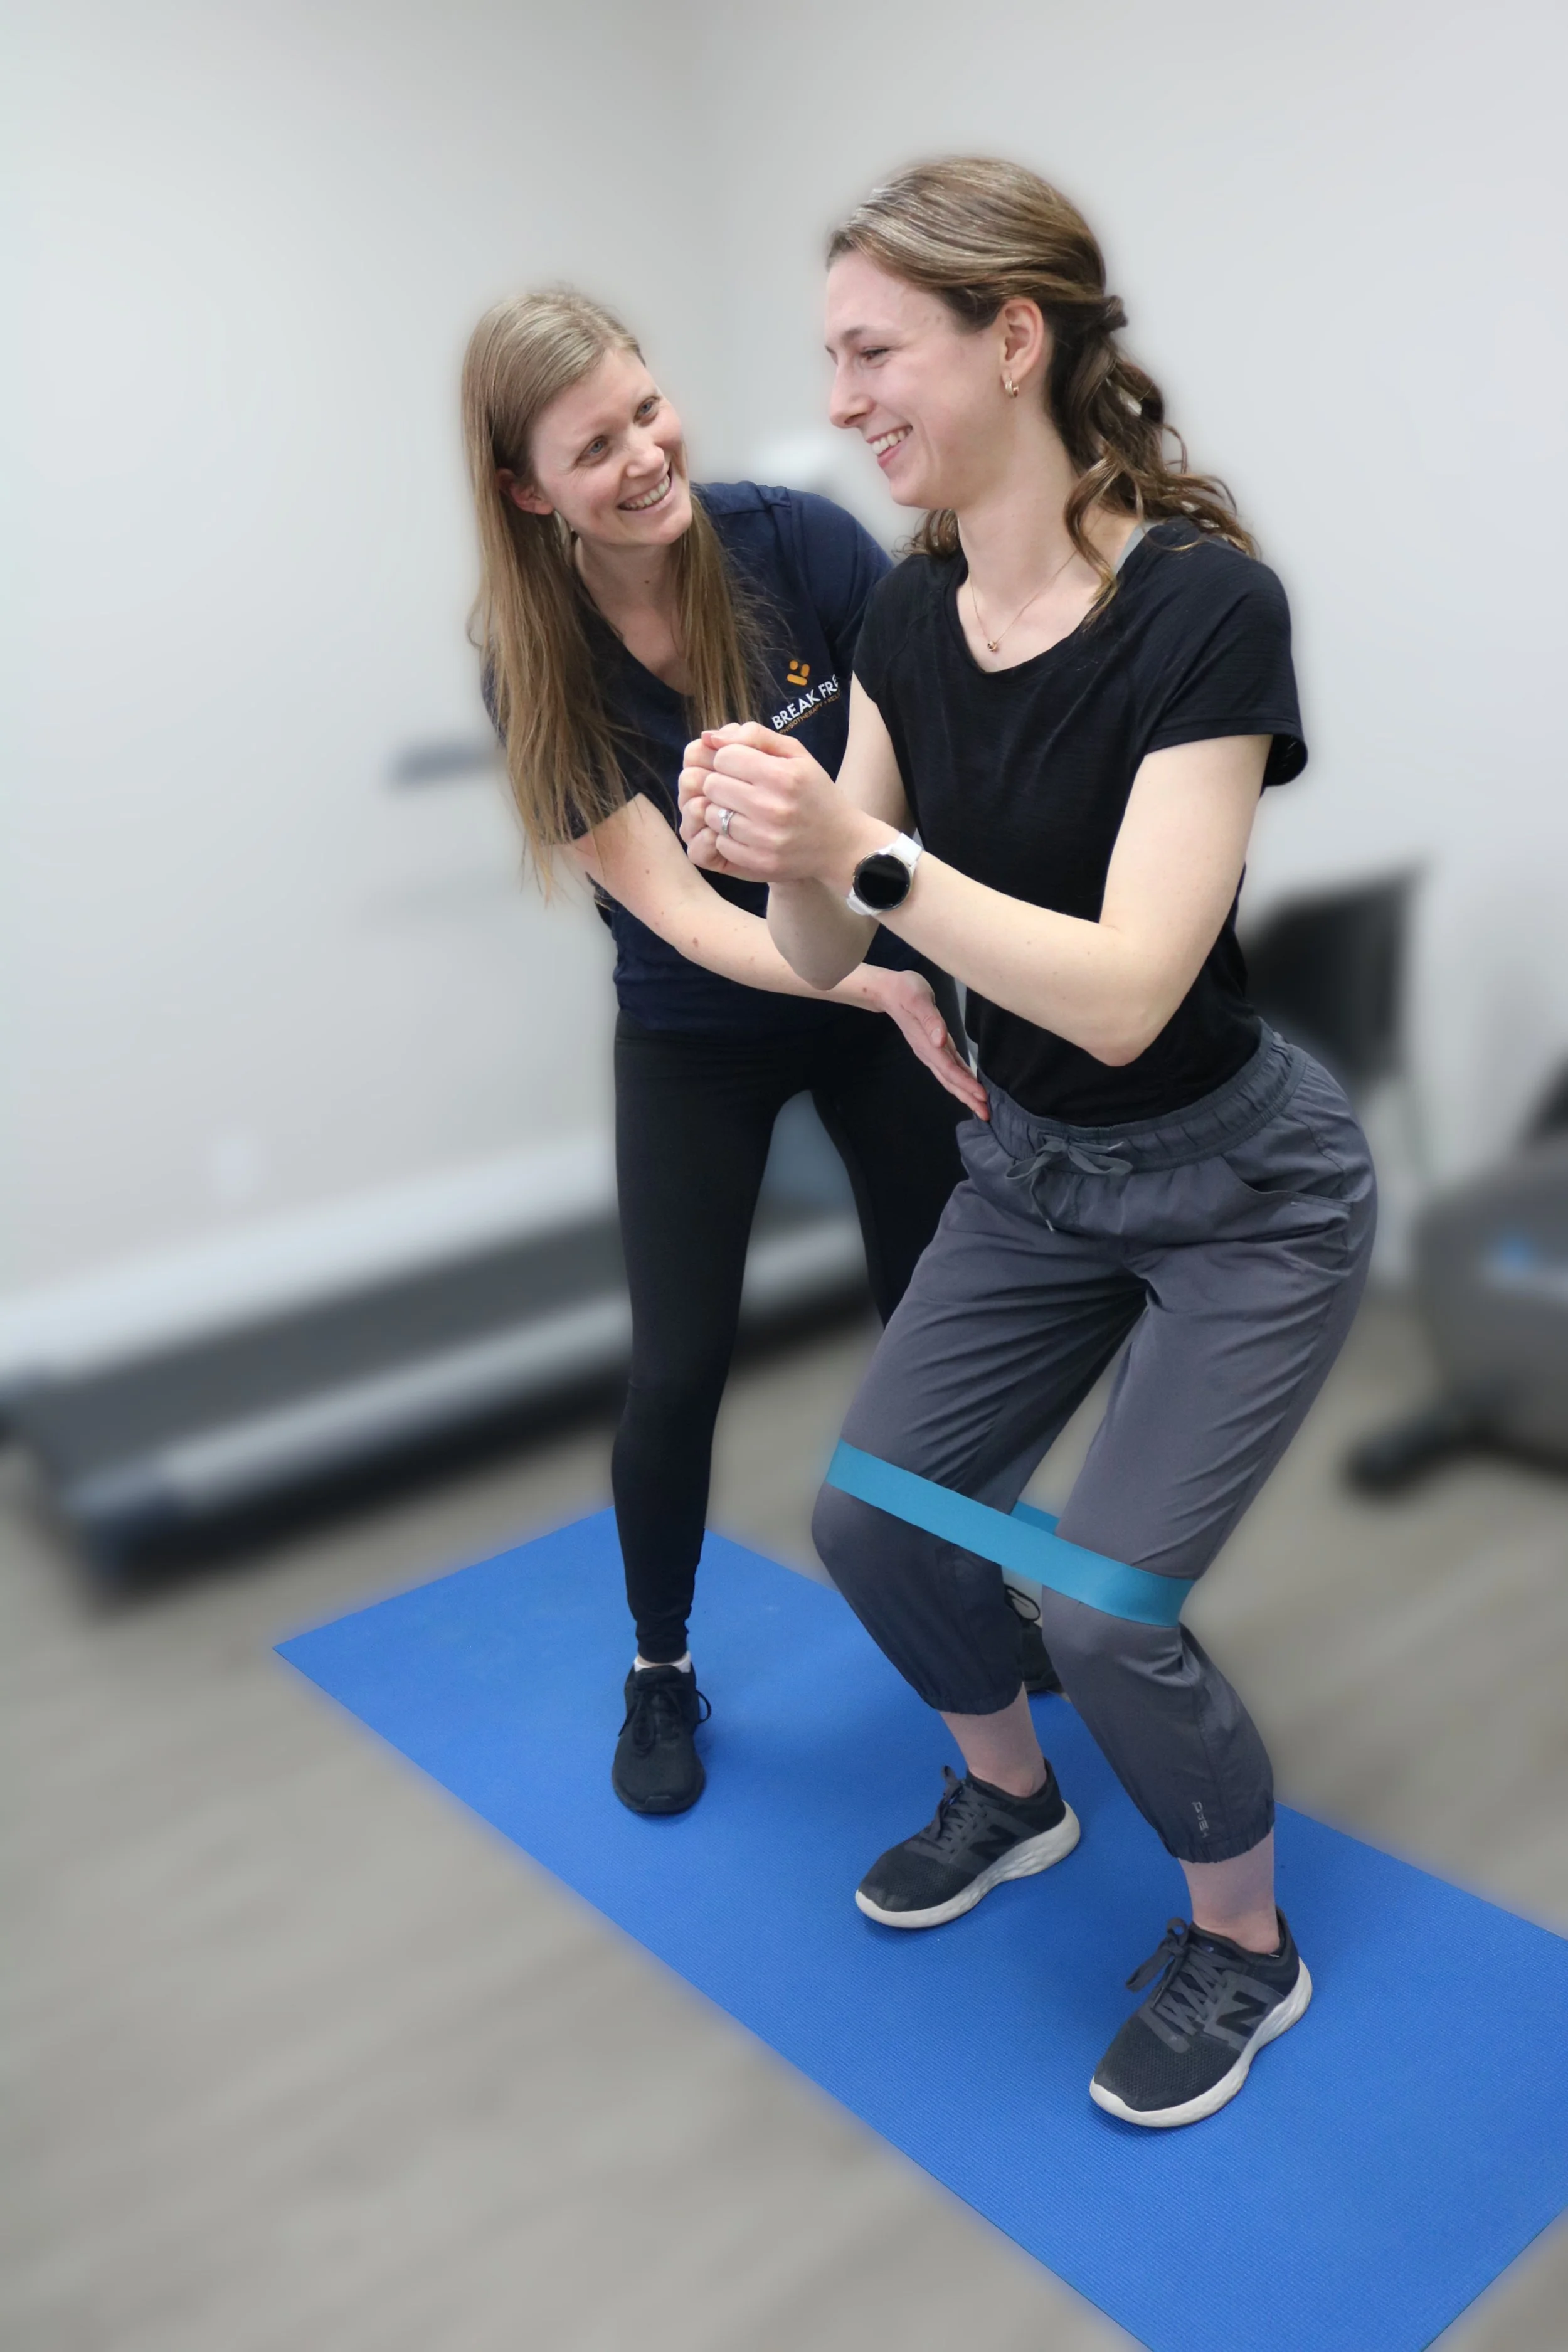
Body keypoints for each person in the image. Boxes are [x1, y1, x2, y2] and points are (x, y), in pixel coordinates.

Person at [679, 159, 1375, 2128]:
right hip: (1040, 1168)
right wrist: (786, 832)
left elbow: (1132, 988)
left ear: (1012, 339)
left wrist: (863, 851)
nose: (844, 401)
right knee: (873, 1522)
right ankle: (1011, 1793)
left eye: (872, 351)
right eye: (831, 360)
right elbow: (825, 935)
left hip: (1244, 1185)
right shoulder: (911, 605)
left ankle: (1242, 1939)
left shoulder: (1204, 613)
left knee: (1099, 1598)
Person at [461, 287, 1016, 1821]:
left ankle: (971, 1587)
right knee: (678, 1363)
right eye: (594, 446)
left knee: (936, 1319)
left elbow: (906, 788)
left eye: (647, 410)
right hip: (701, 1025)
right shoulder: (535, 655)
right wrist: (882, 993)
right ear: (527, 491)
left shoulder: (797, 547)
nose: (645, 454)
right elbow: (682, 919)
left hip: (868, 967)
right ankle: (659, 1667)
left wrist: (928, 956)